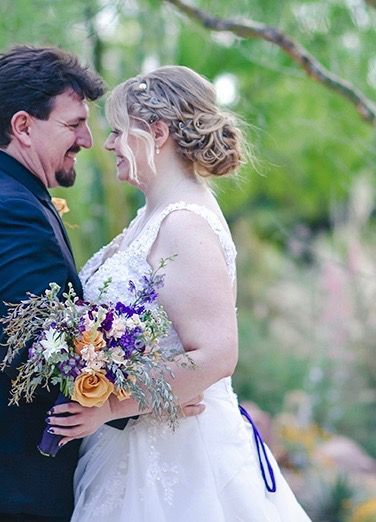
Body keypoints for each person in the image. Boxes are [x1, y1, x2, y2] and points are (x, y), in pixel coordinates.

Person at [0, 47, 204, 522]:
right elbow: (39, 346)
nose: (89, 140)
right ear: (22, 126)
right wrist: (148, 398)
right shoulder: (10, 211)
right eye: (72, 125)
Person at [47, 66, 311, 521]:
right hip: (132, 445)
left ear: (158, 132)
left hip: (180, 457)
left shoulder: (186, 223)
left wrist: (111, 406)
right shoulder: (150, 217)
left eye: (117, 132)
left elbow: (215, 355)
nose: (107, 144)